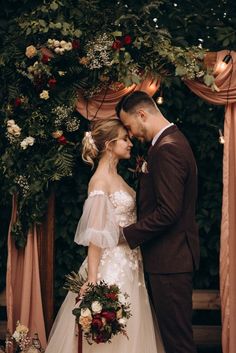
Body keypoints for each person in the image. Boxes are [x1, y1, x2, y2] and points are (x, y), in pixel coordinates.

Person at [45, 118, 165, 353]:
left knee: (132, 326)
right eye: (124, 138)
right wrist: (92, 279)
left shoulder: (117, 177)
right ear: (110, 145)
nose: (130, 143)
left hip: (131, 263)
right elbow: (96, 237)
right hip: (112, 267)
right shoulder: (99, 182)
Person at [116, 91, 199, 353]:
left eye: (129, 126)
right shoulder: (169, 141)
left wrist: (125, 235)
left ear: (142, 114)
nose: (130, 134)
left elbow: (168, 212)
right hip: (169, 259)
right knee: (172, 339)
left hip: (170, 261)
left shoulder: (168, 148)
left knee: (178, 343)